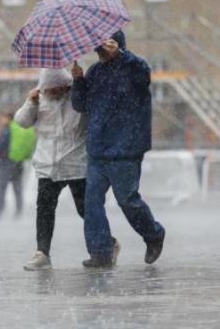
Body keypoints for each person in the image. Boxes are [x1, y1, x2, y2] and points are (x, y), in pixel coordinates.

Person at [71, 30, 166, 268]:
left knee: (128, 200)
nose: (100, 52)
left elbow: (144, 74)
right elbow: (80, 105)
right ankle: (101, 252)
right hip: (98, 149)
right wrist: (78, 81)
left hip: (126, 148)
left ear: (117, 45)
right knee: (91, 202)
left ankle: (153, 234)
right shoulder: (94, 72)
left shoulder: (133, 68)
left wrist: (123, 56)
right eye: (97, 48)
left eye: (104, 48)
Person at [15, 68, 120, 270]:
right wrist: (31, 102)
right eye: (48, 90)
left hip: (76, 164)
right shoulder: (39, 99)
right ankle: (42, 253)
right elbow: (22, 121)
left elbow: (98, 116)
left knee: (86, 211)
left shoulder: (78, 97)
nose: (51, 94)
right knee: (45, 211)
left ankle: (108, 244)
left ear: (66, 86)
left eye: (56, 90)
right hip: (47, 165)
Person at [0, 112, 35, 220]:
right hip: (19, 162)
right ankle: (19, 210)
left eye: (3, 118)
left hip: (6, 161)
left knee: (2, 187)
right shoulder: (21, 128)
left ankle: (0, 210)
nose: (2, 120)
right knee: (17, 187)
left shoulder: (7, 129)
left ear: (8, 118)